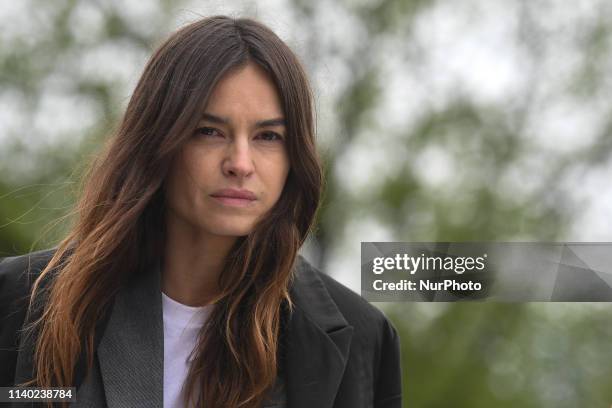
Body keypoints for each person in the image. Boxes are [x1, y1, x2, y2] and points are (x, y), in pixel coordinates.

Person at [0, 15, 402, 408]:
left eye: (268, 136)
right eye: (209, 131)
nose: (240, 163)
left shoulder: (361, 339)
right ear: (159, 140)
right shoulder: (20, 299)